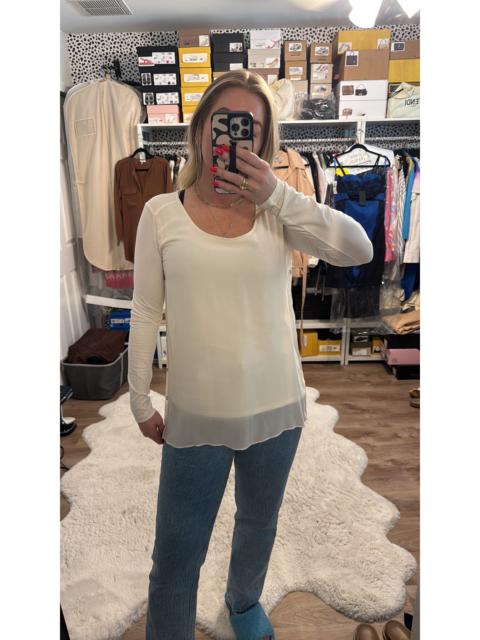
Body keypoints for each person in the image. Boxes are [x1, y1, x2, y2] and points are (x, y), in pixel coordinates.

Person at [128, 69, 374, 640]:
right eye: (224, 122)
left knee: (259, 525)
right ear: (201, 130)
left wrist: (278, 195)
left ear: (263, 140)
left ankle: (242, 604)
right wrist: (140, 400)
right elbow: (143, 310)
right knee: (175, 557)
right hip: (196, 417)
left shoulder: (278, 211)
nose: (236, 137)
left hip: (276, 411)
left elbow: (358, 249)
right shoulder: (161, 213)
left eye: (251, 128)